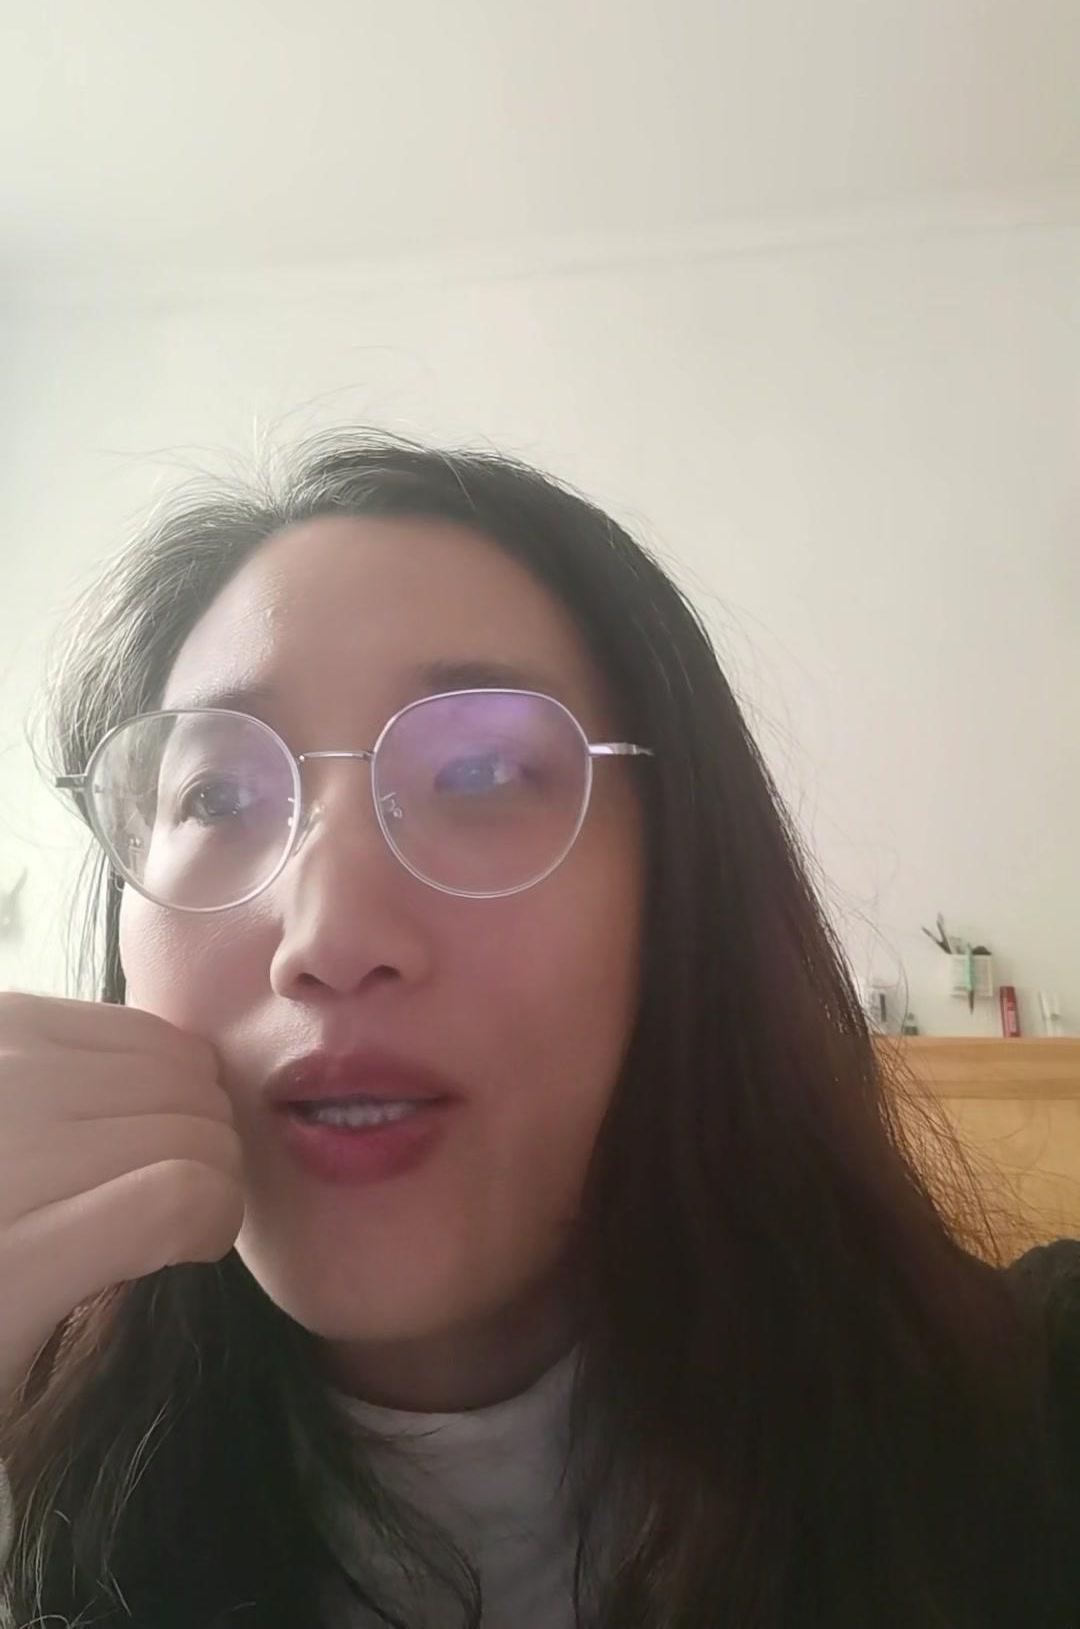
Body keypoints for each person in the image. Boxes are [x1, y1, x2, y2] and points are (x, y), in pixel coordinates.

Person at [0, 429, 1077, 1629]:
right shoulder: (30, 1499)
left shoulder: (1030, 1425)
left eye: (480, 774)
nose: (330, 935)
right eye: (217, 795)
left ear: (681, 893)